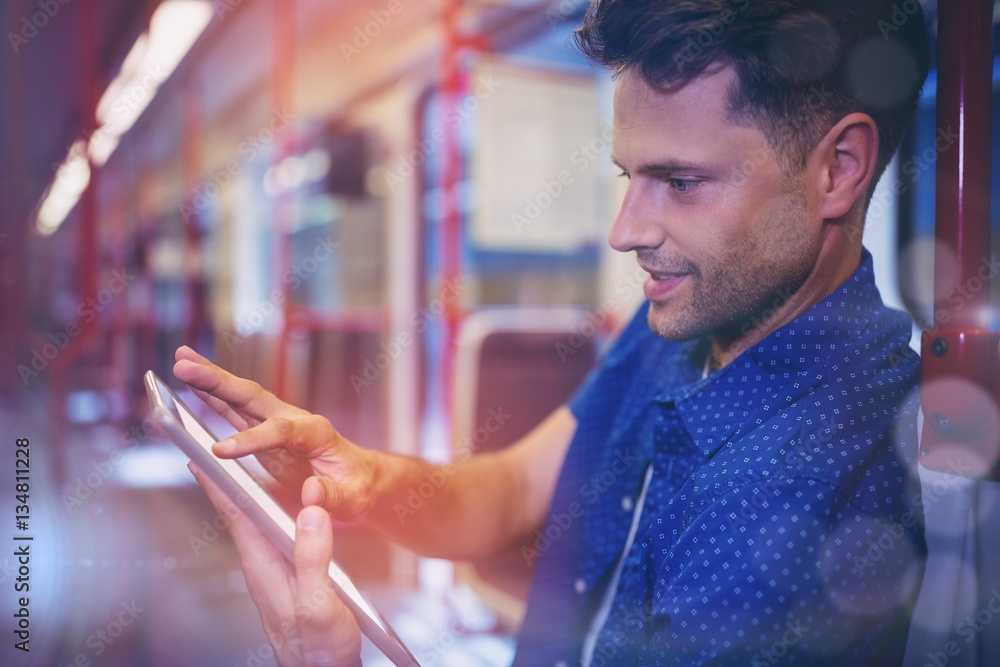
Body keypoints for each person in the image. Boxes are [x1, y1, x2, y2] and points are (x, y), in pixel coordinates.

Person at [175, 0, 932, 664]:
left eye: (681, 182)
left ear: (837, 169)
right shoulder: (677, 325)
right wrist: (365, 478)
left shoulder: (822, 495)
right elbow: (510, 491)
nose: (624, 230)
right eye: (628, 176)